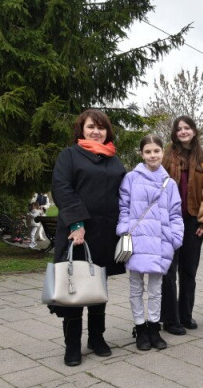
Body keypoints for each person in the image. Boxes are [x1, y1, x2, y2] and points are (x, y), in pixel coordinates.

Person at [50, 109, 126, 366]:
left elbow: (124, 193)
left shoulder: (114, 159)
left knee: (97, 287)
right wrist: (77, 223)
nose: (96, 131)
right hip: (78, 233)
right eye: (91, 127)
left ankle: (96, 337)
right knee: (75, 287)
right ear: (81, 129)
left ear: (107, 131)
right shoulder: (70, 156)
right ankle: (72, 345)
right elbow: (62, 189)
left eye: (101, 127)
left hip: (106, 233)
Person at [117, 135, 184, 351]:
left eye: (156, 151)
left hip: (160, 242)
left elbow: (176, 213)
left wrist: (174, 239)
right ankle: (140, 327)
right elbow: (124, 207)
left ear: (163, 152)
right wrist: (124, 230)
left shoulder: (170, 183)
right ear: (141, 154)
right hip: (136, 241)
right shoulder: (131, 178)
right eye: (148, 151)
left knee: (156, 289)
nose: (152, 155)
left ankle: (154, 327)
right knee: (136, 287)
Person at [160, 116, 203, 335]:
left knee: (189, 271)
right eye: (179, 129)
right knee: (169, 271)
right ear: (175, 133)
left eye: (187, 128)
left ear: (194, 131)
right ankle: (170, 318)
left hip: (193, 222)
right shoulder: (166, 157)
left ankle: (185, 315)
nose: (183, 131)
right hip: (169, 221)